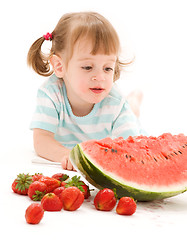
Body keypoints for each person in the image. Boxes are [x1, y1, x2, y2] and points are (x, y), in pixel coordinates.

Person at [28, 11, 145, 171]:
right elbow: (41, 141)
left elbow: (131, 146)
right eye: (88, 67)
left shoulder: (115, 102)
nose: (100, 77)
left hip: (124, 115)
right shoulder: (51, 94)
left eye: (108, 68)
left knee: (131, 111)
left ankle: (133, 102)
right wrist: (68, 155)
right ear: (60, 66)